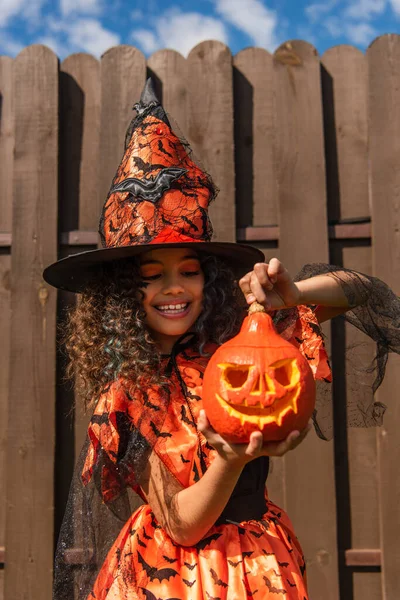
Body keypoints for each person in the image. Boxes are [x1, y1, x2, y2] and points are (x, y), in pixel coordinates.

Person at [44, 79, 400, 600]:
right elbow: (182, 524)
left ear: (206, 279)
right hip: (166, 576)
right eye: (151, 275)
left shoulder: (243, 344)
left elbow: (366, 294)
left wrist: (291, 294)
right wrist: (232, 459)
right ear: (123, 293)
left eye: (188, 271)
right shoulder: (126, 395)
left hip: (259, 558)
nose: (173, 287)